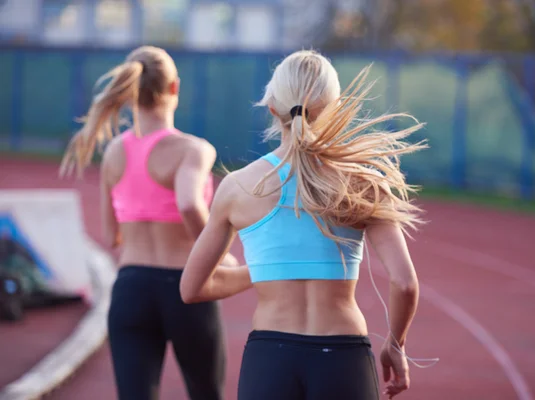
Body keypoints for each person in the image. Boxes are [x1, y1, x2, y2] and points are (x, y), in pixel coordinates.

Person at [180, 50, 429, 400]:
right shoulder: (363, 183)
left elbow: (191, 288)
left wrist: (270, 269)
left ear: (272, 109)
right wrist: (396, 344)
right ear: (336, 110)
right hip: (344, 357)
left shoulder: (238, 187)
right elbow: (404, 284)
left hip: (270, 359)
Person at [59, 45, 244, 400]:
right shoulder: (193, 150)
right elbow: (189, 202)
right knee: (207, 393)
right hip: (186, 289)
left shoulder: (114, 152)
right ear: (175, 88)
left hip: (130, 289)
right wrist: (217, 256)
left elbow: (111, 233)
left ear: (130, 92)